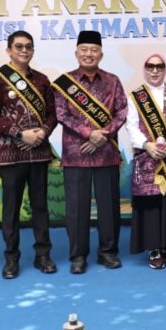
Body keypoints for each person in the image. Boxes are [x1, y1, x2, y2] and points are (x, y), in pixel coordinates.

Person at [52, 30, 127, 274]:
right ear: (76, 53)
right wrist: (89, 133)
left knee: (109, 207)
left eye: (94, 50)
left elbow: (122, 112)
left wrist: (102, 135)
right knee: (76, 210)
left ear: (101, 54)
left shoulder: (113, 81)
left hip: (106, 153)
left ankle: (108, 252)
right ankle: (78, 256)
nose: (89, 54)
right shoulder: (65, 83)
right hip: (76, 155)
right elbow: (61, 114)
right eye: (84, 50)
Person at [0, 31, 58, 279]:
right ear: (9, 50)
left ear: (33, 50)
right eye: (19, 46)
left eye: (28, 46)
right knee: (11, 208)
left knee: (40, 207)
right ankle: (11, 258)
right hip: (10, 154)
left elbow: (52, 114)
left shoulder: (42, 80)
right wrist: (20, 134)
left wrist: (42, 132)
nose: (24, 50)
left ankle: (43, 255)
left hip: (39, 153)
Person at [125, 54, 166, 269]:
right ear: (144, 69)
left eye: (159, 67)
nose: (154, 71)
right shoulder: (135, 97)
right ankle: (154, 249)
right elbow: (131, 126)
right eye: (150, 66)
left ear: (165, 69)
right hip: (147, 157)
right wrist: (146, 145)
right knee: (151, 205)